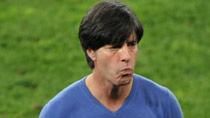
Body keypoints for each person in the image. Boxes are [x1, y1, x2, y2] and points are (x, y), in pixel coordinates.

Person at [39, 1, 183, 118]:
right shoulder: (58, 112)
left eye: (132, 44)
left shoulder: (163, 103)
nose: (126, 56)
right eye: (115, 47)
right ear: (91, 52)